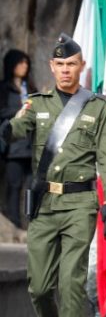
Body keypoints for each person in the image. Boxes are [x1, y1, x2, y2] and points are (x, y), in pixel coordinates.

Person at [8, 34, 106, 316]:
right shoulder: (37, 104)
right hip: (44, 206)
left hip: (80, 205)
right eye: (60, 64)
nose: (66, 69)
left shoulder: (99, 107)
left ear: (81, 65)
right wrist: (7, 130)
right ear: (52, 66)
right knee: (40, 288)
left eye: (71, 64)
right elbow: (19, 126)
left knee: (71, 283)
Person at [1, 49, 34, 227]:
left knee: (31, 187)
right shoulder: (3, 89)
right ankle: (13, 222)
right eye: (20, 63)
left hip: (31, 145)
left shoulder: (30, 87)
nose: (24, 66)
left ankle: (30, 223)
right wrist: (20, 111)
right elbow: (2, 112)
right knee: (14, 185)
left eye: (26, 63)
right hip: (13, 147)